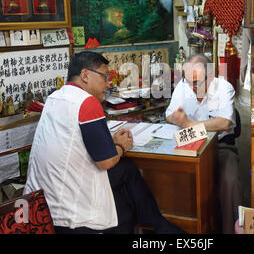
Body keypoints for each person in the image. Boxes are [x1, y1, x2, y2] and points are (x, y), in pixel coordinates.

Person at [24, 51, 184, 234]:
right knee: (125, 167)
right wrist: (121, 146)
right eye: (104, 76)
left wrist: (113, 142)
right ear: (85, 75)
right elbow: (106, 161)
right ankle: (157, 224)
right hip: (69, 206)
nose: (108, 83)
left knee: (124, 175)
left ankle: (148, 223)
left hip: (41, 200)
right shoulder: (87, 102)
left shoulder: (54, 98)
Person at [165, 54, 242, 233]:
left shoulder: (224, 88)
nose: (192, 88)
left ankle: (230, 229)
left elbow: (224, 123)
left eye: (197, 83)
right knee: (172, 178)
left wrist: (189, 124)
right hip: (189, 147)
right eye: (188, 81)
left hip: (220, 147)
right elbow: (169, 114)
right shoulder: (183, 87)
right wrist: (175, 118)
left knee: (229, 181)